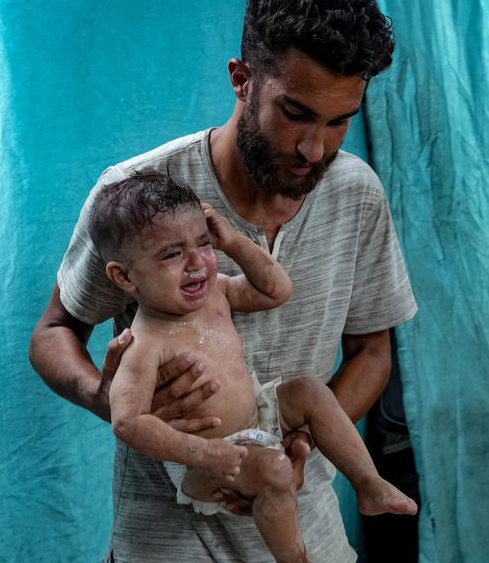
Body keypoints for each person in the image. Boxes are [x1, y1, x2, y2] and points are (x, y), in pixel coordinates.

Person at [29, 0, 418, 562]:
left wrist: (298, 440)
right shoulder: (135, 194)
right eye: (295, 112)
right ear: (242, 80)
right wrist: (103, 395)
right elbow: (54, 333)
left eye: (339, 121)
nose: (315, 149)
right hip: (162, 544)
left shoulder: (357, 193)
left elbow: (372, 352)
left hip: (308, 533)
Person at [95, 172, 416, 563]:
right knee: (276, 471)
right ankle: (295, 559)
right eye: (172, 254)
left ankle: (368, 482)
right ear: (124, 275)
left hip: (257, 416)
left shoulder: (216, 293)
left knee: (310, 391)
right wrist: (203, 453)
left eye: (203, 243)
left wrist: (232, 241)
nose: (197, 263)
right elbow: (127, 422)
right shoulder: (145, 345)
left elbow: (276, 289)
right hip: (205, 460)